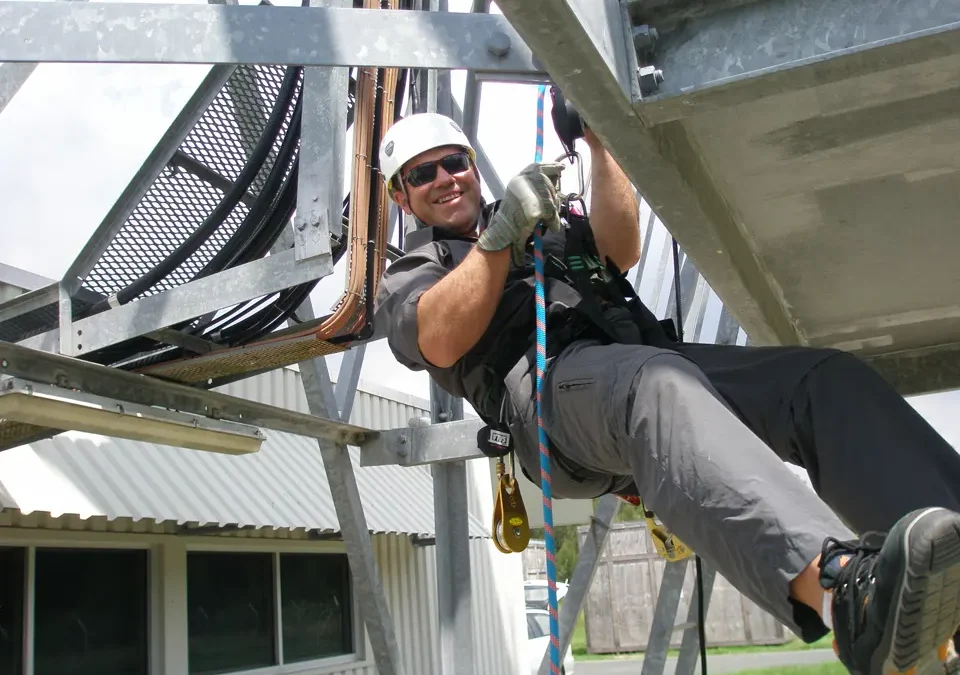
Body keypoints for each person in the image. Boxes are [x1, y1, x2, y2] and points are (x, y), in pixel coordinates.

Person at [373, 111, 960, 675]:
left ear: (472, 166)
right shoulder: (416, 270)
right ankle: (845, 600)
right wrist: (499, 241)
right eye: (422, 175)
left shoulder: (537, 221)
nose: (444, 179)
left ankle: (947, 585)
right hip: (551, 397)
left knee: (823, 383)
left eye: (453, 163)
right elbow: (440, 338)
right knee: (655, 384)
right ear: (402, 196)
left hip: (639, 363)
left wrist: (596, 140)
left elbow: (618, 246)